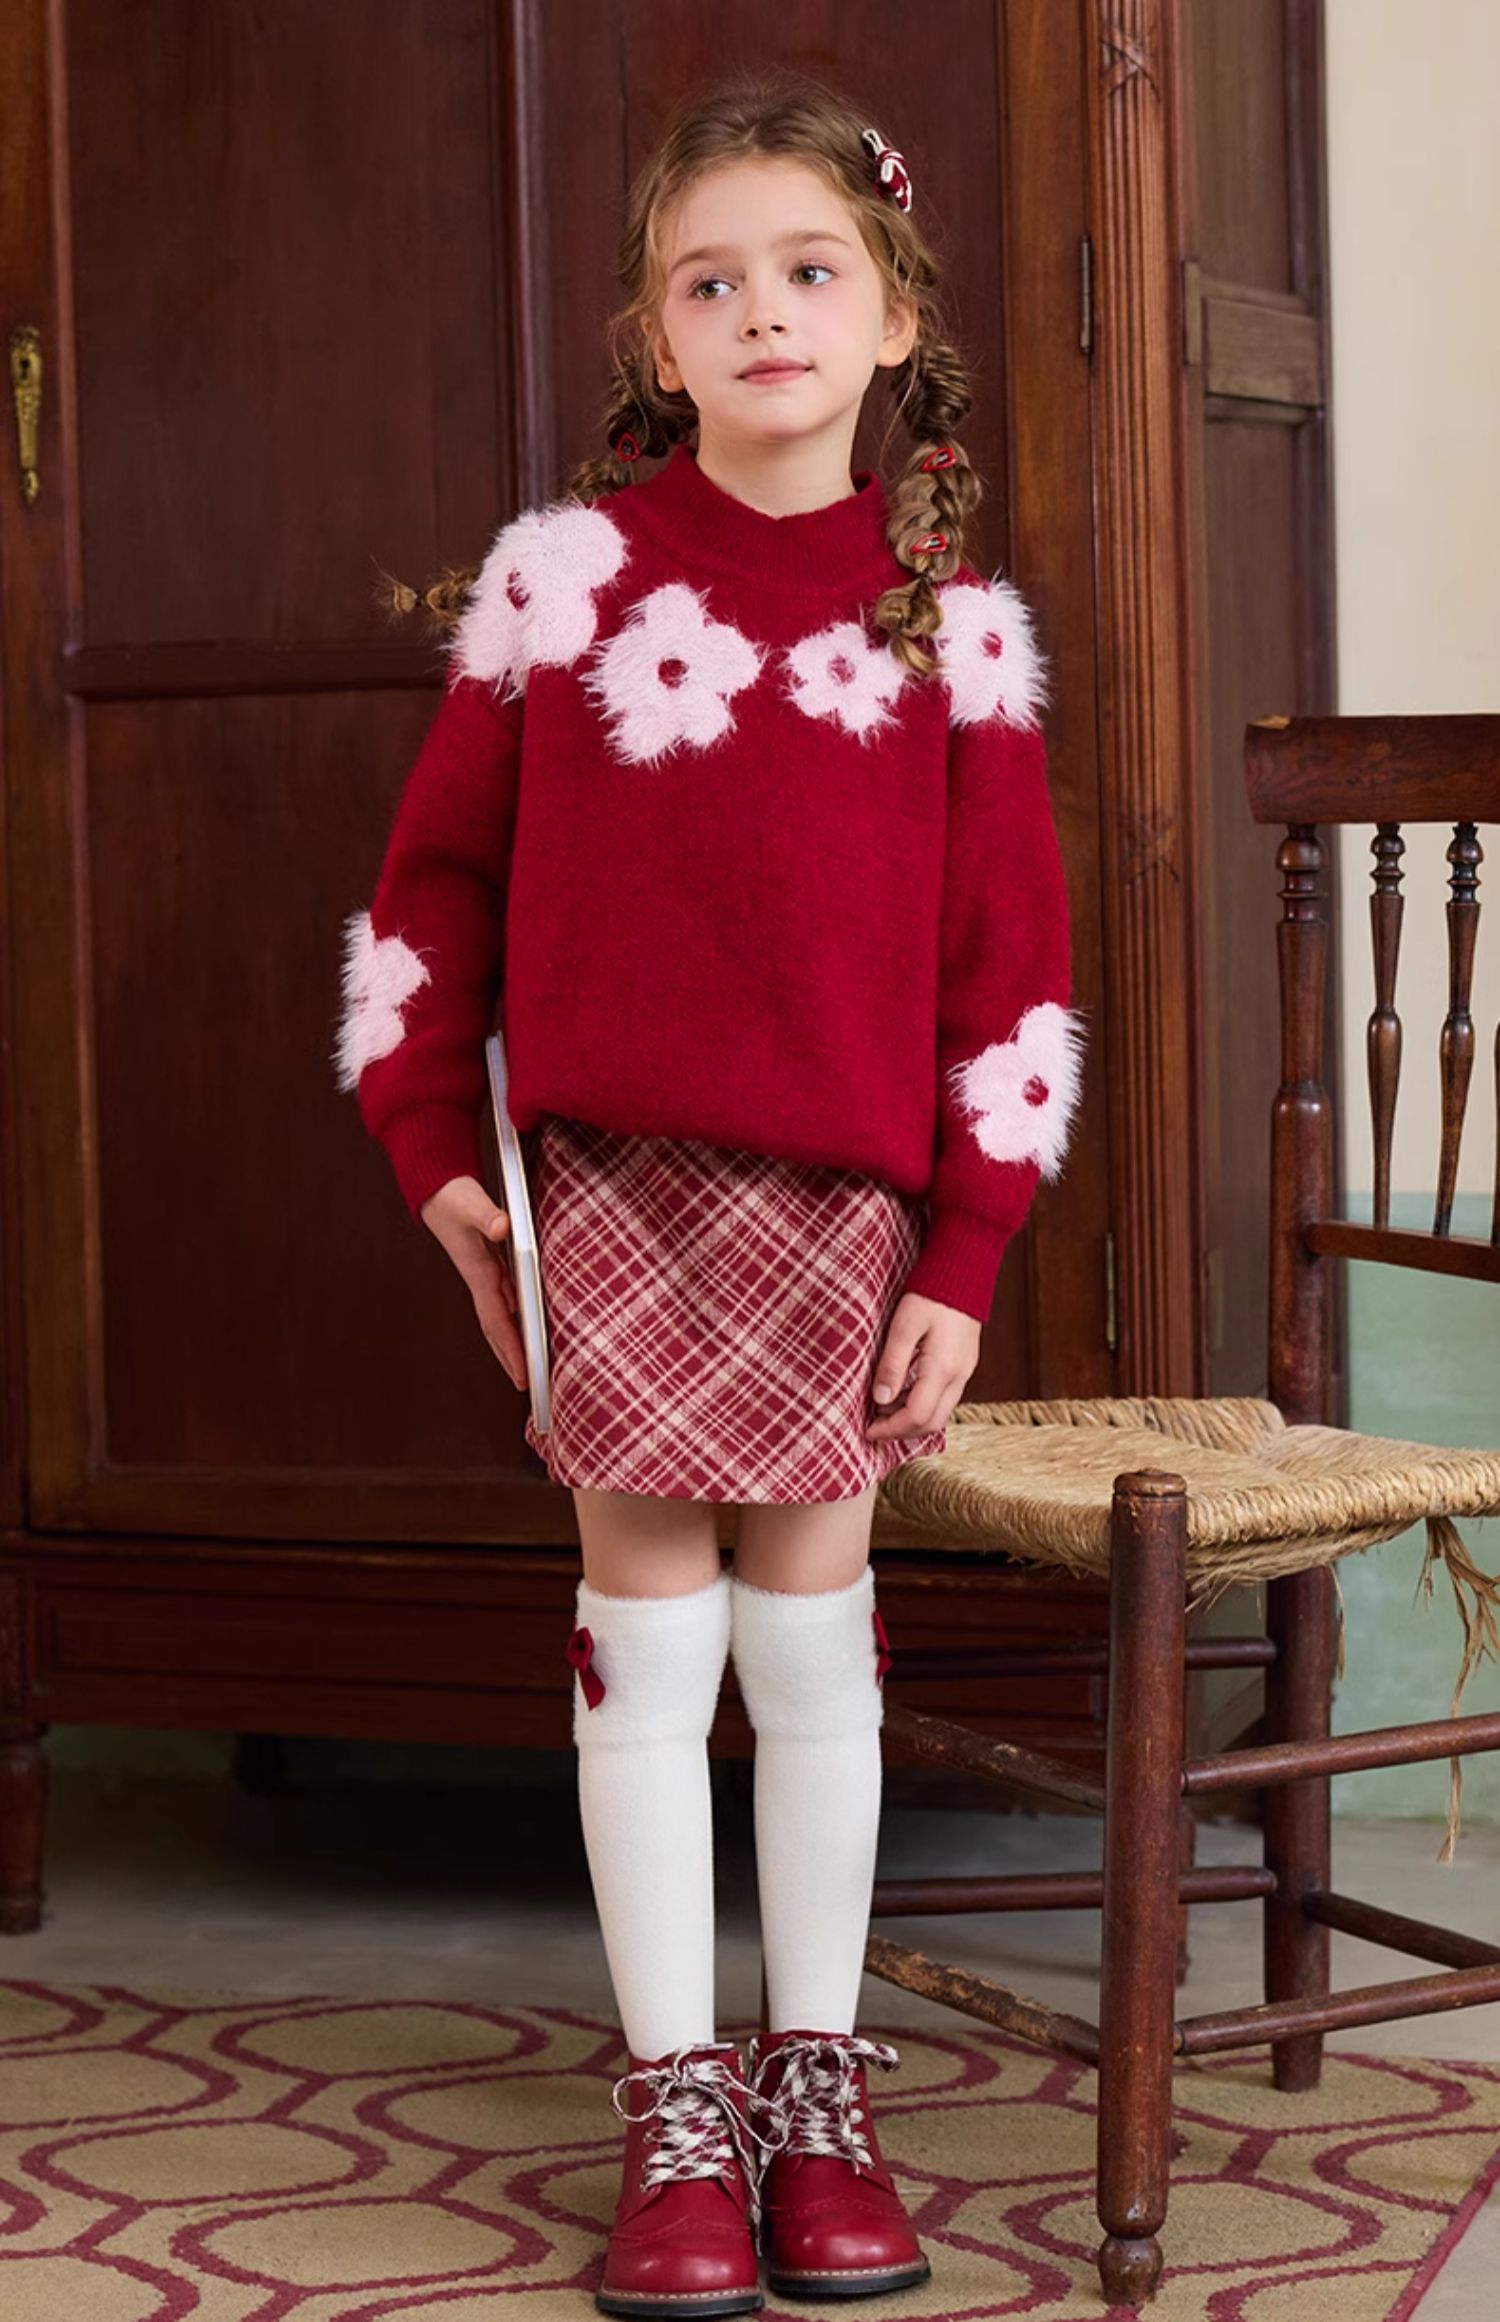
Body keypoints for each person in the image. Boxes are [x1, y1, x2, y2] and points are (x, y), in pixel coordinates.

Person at [334, 67, 1082, 2319]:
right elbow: (430, 900)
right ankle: (678, 2105)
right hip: (607, 1193)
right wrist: (436, 1160)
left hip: (849, 1211)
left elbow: (1012, 980)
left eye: (809, 271)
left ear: (894, 315)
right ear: (656, 342)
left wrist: (968, 1248)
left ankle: (816, 2087)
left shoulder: (957, 635)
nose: (763, 312)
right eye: (709, 283)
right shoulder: (559, 593)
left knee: (812, 1633)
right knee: (647, 1635)